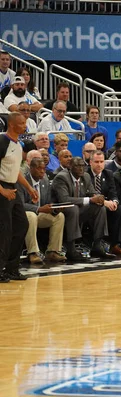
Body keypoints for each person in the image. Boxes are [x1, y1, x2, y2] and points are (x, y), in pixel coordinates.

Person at [0, 113, 39, 282]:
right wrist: (2, 190)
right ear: (11, 125)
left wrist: (29, 188)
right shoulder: (2, 142)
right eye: (22, 123)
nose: (25, 125)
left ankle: (12, 268)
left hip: (13, 188)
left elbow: (15, 171)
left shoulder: (18, 144)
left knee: (22, 225)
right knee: (4, 231)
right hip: (2, 189)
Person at [18, 157, 67, 265]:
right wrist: (39, 209)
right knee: (31, 216)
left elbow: (47, 201)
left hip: (40, 215)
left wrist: (54, 209)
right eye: (39, 168)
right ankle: (33, 253)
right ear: (31, 168)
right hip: (23, 216)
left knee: (60, 216)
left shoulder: (44, 180)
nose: (42, 171)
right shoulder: (23, 181)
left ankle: (52, 251)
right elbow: (20, 205)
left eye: (44, 168)